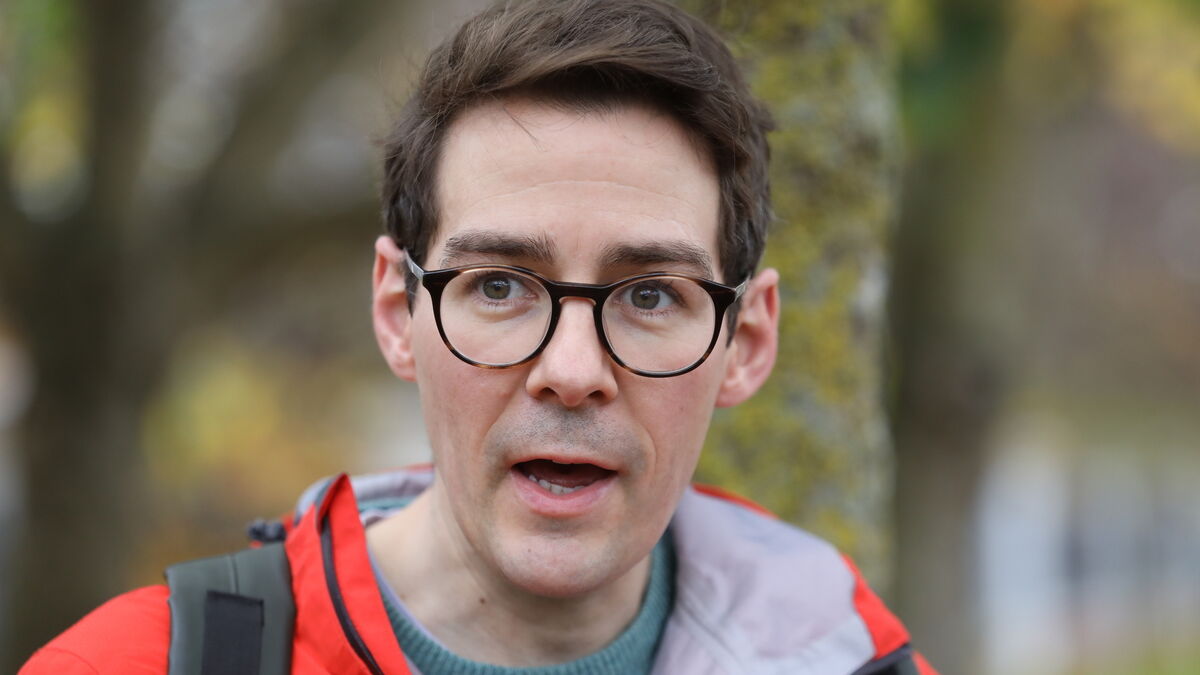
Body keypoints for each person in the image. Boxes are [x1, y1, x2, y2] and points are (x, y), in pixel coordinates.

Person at [22, 0, 936, 673]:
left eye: (651, 295)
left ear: (747, 341)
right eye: (499, 286)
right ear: (398, 311)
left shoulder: (854, 661)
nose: (572, 371)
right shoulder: (129, 666)